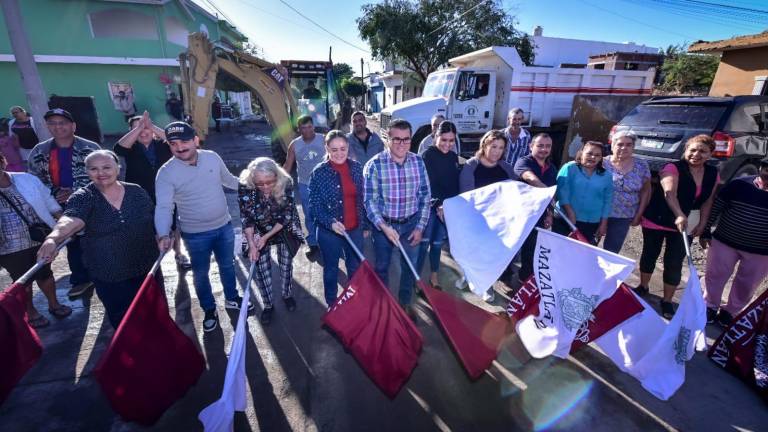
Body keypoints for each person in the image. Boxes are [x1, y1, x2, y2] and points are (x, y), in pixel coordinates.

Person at [37, 150, 154, 329]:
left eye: (107, 167)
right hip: (110, 274)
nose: (101, 173)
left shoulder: (136, 191)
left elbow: (153, 218)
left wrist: (166, 235)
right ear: (87, 171)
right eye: (94, 169)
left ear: (118, 168)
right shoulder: (84, 196)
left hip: (147, 267)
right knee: (122, 319)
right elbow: (70, 219)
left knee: (151, 313)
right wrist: (53, 238)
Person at [155, 121, 247, 333]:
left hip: (224, 226)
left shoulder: (212, 158)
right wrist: (162, 233)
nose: (180, 147)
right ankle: (208, 309)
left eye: (185, 141)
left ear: (196, 140)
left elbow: (230, 181)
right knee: (201, 273)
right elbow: (164, 207)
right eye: (173, 143)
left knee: (227, 266)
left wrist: (256, 183)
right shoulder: (166, 173)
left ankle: (232, 298)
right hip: (195, 235)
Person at [637, 134, 719, 319]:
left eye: (702, 151)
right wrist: (679, 214)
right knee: (650, 253)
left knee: (674, 261)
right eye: (693, 150)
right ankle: (643, 286)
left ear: (710, 155)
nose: (696, 154)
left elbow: (707, 201)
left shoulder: (713, 173)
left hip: (688, 221)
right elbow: (669, 193)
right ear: (685, 151)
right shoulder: (673, 167)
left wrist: (704, 223)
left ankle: (667, 300)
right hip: (659, 217)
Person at [28, 108, 100, 298]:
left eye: (62, 122)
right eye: (53, 123)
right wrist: (56, 194)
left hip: (89, 202)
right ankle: (81, 280)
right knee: (71, 241)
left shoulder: (90, 147)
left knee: (96, 239)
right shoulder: (40, 151)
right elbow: (35, 181)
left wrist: (74, 192)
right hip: (58, 205)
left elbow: (103, 174)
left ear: (73, 125)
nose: (58, 127)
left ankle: (104, 274)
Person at [364, 118, 431, 318]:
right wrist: (383, 227)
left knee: (409, 267)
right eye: (396, 139)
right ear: (387, 139)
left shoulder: (418, 162)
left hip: (411, 225)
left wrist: (420, 227)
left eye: (406, 139)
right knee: (382, 267)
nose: (402, 144)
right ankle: (385, 306)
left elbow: (425, 196)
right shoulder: (374, 165)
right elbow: (369, 202)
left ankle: (403, 303)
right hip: (384, 226)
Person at [0, 154, 71, 328]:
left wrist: (65, 225)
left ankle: (54, 304)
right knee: (23, 280)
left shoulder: (26, 179)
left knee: (46, 273)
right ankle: (30, 312)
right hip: (8, 247)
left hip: (38, 238)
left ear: (3, 161)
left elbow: (50, 202)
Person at [114, 111, 191, 270]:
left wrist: (151, 126)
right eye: (137, 129)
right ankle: (152, 258)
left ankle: (178, 253)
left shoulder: (162, 145)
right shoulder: (131, 148)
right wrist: (139, 127)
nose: (143, 131)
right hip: (140, 194)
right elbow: (118, 149)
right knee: (146, 225)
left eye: (146, 128)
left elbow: (174, 141)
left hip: (167, 190)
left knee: (173, 223)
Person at [700, 157, 768, 326]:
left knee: (747, 283)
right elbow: (717, 206)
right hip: (725, 241)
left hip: (761, 251)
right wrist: (706, 230)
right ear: (761, 168)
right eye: (767, 169)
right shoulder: (739, 184)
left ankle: (730, 312)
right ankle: (709, 306)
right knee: (715, 276)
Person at [307, 131, 367, 306]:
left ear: (348, 147)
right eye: (334, 149)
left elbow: (363, 199)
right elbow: (314, 206)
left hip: (354, 230)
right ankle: (332, 305)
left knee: (355, 269)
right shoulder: (319, 173)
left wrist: (365, 226)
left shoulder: (357, 168)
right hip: (329, 233)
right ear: (326, 148)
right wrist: (330, 223)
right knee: (331, 270)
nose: (339, 153)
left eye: (343, 148)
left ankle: (353, 302)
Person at [239, 157, 302, 324]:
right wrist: (252, 244)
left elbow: (286, 215)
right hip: (258, 228)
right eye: (260, 183)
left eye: (270, 182)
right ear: (252, 179)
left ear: (277, 176)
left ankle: (286, 294)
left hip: (283, 226)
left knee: (286, 264)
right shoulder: (245, 185)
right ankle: (268, 305)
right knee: (260, 268)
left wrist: (267, 237)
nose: (265, 187)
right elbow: (246, 217)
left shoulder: (286, 182)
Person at [459, 130, 516, 301]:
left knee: (490, 255)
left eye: (501, 148)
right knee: (473, 253)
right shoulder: (471, 165)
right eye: (493, 146)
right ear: (484, 145)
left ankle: (486, 285)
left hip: (499, 221)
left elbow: (515, 192)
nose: (497, 151)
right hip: (476, 219)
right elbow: (466, 195)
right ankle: (468, 276)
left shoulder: (506, 168)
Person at [417, 121, 461, 288]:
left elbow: (453, 185)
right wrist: (439, 205)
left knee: (437, 244)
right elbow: (429, 186)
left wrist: (451, 206)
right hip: (429, 210)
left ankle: (434, 275)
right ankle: (416, 277)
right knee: (423, 244)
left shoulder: (453, 156)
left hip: (446, 210)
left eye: (451, 140)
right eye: (443, 139)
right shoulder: (427, 155)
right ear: (435, 136)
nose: (447, 144)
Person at [515, 133, 558, 283]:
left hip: (538, 215)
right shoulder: (523, 162)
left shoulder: (552, 168)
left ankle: (524, 280)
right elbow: (529, 177)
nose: (544, 149)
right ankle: (503, 277)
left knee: (531, 249)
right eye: (540, 145)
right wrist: (545, 189)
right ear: (531, 146)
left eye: (548, 146)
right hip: (519, 214)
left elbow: (553, 194)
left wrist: (550, 214)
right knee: (511, 249)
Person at [553, 141, 613, 245]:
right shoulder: (569, 168)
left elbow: (607, 201)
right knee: (557, 252)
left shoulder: (606, 175)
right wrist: (570, 213)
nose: (593, 157)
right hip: (565, 219)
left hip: (591, 223)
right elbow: (562, 192)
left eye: (597, 155)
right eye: (589, 153)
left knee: (582, 257)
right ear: (581, 153)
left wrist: (603, 223)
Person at [602, 131, 651, 254]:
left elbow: (646, 190)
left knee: (612, 251)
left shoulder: (641, 165)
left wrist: (639, 214)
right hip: (597, 212)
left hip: (623, 215)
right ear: (612, 145)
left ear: (633, 147)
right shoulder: (602, 163)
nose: (624, 147)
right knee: (588, 246)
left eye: (629, 144)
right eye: (620, 144)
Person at [283, 115, 324, 256]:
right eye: (303, 128)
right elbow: (288, 165)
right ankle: (313, 244)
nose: (307, 130)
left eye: (309, 127)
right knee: (309, 215)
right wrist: (277, 182)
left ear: (313, 126)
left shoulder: (324, 139)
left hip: (325, 184)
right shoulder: (294, 145)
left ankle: (330, 241)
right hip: (305, 184)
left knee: (328, 213)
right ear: (298, 129)